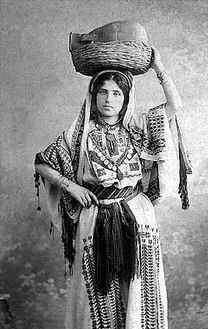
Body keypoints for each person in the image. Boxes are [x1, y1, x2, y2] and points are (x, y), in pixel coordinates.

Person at [34, 47, 191, 329]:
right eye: (103, 92)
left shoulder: (138, 126)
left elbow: (175, 106)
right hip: (93, 217)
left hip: (137, 216)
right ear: (93, 96)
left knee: (139, 289)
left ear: (126, 97)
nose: (109, 99)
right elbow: (43, 164)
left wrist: (159, 67)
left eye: (117, 93)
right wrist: (70, 187)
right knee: (96, 291)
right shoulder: (79, 134)